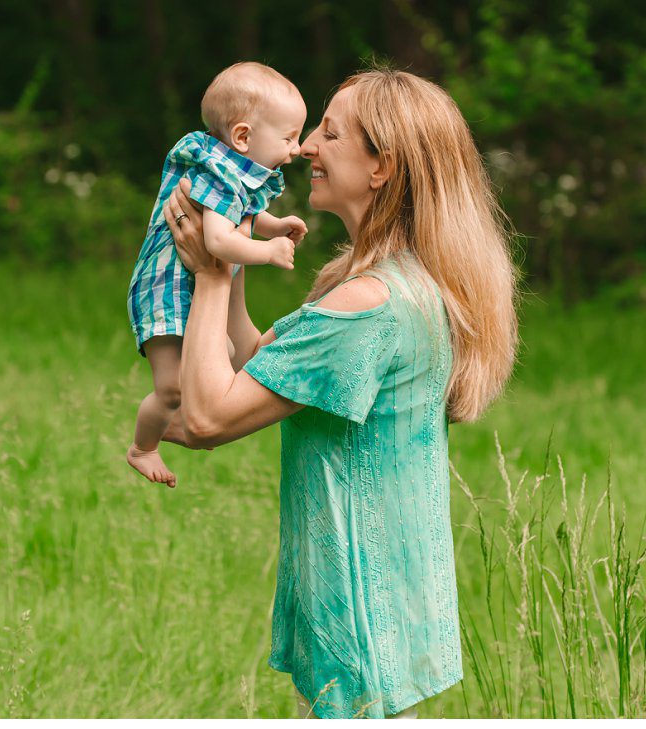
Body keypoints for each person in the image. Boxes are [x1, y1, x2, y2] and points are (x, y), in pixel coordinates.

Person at [162, 68, 519, 718]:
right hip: (383, 618)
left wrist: (209, 273)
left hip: (357, 622)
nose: (304, 148)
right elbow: (260, 365)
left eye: (329, 132)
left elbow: (209, 414)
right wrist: (235, 255)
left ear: (381, 165)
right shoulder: (400, 281)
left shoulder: (368, 307)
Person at [126, 63, 309, 488]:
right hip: (166, 290)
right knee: (172, 387)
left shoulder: (231, 169)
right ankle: (143, 447)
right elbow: (220, 241)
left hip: (186, 284)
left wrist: (274, 224)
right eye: (288, 138)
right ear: (243, 136)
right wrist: (268, 250)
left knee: (219, 354)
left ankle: (182, 421)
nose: (297, 149)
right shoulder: (217, 173)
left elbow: (243, 212)